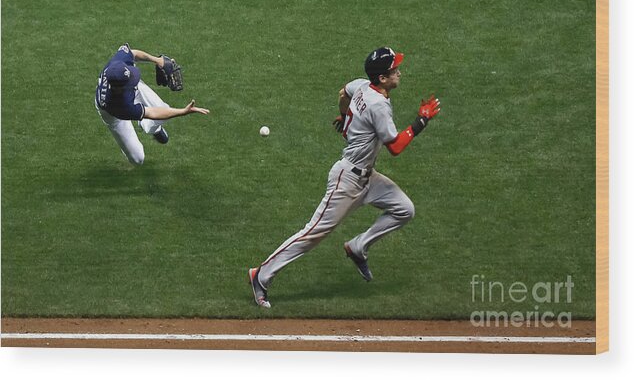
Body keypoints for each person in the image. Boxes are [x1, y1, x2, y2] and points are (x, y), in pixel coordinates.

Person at [249, 47, 441, 308]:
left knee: (404, 209)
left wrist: (343, 114)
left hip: (367, 178)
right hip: (347, 180)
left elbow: (344, 92)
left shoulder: (362, 85)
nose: (399, 71)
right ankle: (260, 275)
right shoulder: (378, 105)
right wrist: (422, 120)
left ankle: (358, 246)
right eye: (394, 69)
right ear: (382, 79)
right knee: (314, 233)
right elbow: (395, 147)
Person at [95, 43, 209, 165]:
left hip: (125, 93)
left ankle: (154, 128)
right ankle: (142, 123)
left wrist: (158, 60)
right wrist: (183, 111)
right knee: (138, 159)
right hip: (113, 116)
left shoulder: (117, 63)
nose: (134, 78)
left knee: (164, 108)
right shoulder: (118, 107)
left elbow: (133, 53)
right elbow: (153, 113)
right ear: (120, 88)